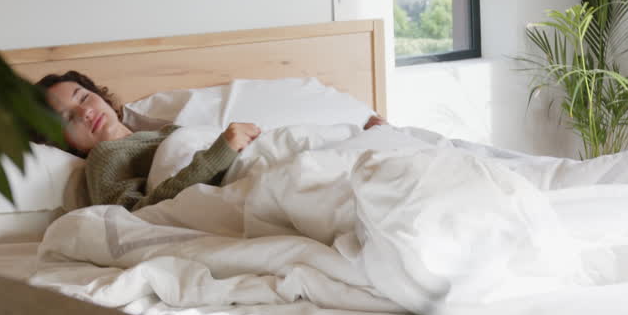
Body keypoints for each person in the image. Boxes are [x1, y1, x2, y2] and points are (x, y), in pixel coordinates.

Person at [36, 71, 385, 211]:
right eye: (65, 118)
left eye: (82, 98)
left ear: (98, 95)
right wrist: (221, 151)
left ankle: (364, 140)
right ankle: (367, 145)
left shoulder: (159, 132)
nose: (83, 113)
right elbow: (139, 215)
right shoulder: (103, 159)